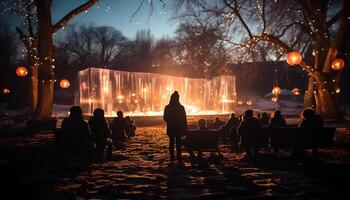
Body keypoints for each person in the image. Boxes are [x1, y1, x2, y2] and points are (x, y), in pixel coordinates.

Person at [163, 91, 188, 161]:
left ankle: (172, 157)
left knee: (171, 143)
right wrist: (185, 128)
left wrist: (171, 120)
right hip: (179, 128)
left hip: (171, 128)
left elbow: (165, 118)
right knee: (178, 143)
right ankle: (179, 157)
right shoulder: (181, 107)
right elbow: (184, 119)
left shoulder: (167, 107)